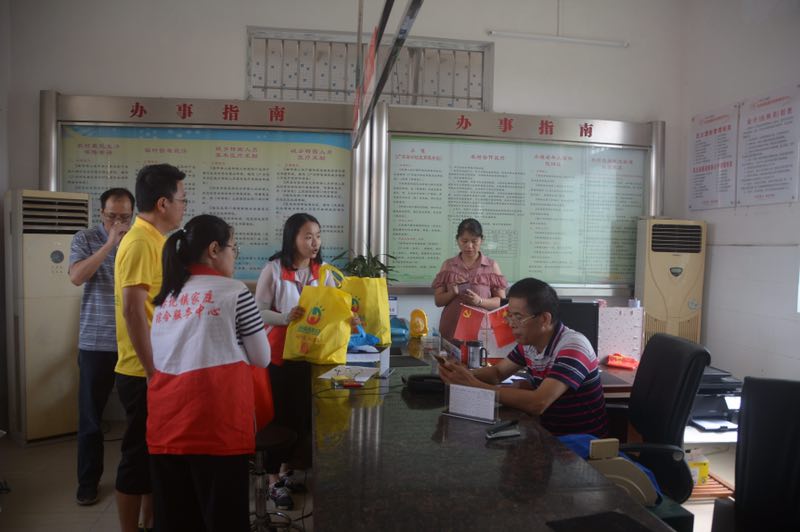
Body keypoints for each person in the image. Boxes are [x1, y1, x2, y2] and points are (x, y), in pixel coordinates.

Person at [148, 214, 270, 532]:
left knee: (176, 521)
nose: (235, 256)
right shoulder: (235, 292)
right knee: (223, 520)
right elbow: (262, 357)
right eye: (234, 248)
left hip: (166, 424)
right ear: (214, 250)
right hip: (216, 426)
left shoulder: (166, 298)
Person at [438, 278, 608, 437]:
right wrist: (461, 375)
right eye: (509, 315)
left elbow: (538, 403)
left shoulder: (573, 346)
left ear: (544, 319)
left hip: (578, 444)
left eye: (518, 317)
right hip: (546, 433)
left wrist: (475, 385)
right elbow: (497, 373)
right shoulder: (529, 343)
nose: (510, 323)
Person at [114, 163, 187, 532]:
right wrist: (151, 371)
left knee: (154, 455)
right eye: (181, 199)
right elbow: (132, 309)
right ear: (163, 203)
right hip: (142, 370)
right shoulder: (141, 242)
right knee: (137, 458)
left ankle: (149, 522)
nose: (184, 206)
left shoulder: (156, 240)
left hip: (157, 367)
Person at [254, 212, 334, 511]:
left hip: (311, 354)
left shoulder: (322, 271)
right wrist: (285, 317)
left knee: (302, 417)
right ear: (293, 238)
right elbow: (259, 311)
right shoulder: (274, 270)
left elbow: (332, 306)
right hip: (279, 355)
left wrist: (347, 316)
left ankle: (287, 471)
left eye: (318, 236)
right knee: (279, 416)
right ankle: (272, 479)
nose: (315, 242)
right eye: (308, 236)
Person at [69, 187, 135, 506]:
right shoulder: (85, 238)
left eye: (125, 217)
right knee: (91, 417)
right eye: (112, 216)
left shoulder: (139, 241)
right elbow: (77, 276)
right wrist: (110, 244)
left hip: (132, 342)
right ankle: (88, 482)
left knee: (137, 416)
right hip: (96, 342)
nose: (119, 223)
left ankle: (133, 481)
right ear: (101, 214)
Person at [432, 218, 508, 340]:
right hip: (451, 329)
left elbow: (501, 302)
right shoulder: (448, 265)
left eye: (474, 241)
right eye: (464, 241)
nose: (469, 246)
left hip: (481, 331)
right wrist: (452, 293)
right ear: (457, 240)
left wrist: (480, 301)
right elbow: (438, 301)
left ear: (482, 240)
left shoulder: (491, 266)